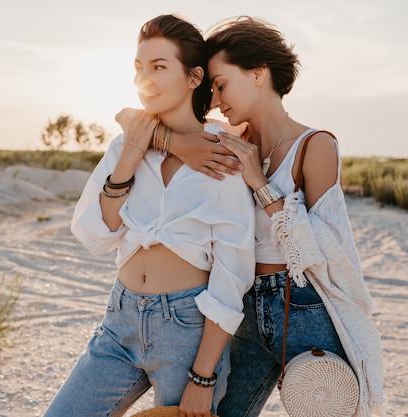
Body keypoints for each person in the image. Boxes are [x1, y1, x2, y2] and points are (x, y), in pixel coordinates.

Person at [121, 16, 386, 417]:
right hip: (243, 309)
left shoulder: (314, 146)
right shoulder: (225, 141)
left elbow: (325, 246)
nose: (214, 98)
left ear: (259, 74)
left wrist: (259, 183)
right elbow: (128, 119)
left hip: (304, 309)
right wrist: (178, 143)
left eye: (221, 83)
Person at [43, 14, 255, 417]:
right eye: (139, 68)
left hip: (186, 329)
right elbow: (97, 234)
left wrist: (204, 376)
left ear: (194, 77)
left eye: (159, 67)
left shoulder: (223, 155)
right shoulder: (127, 144)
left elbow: (233, 273)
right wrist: (130, 157)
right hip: (119, 321)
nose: (146, 79)